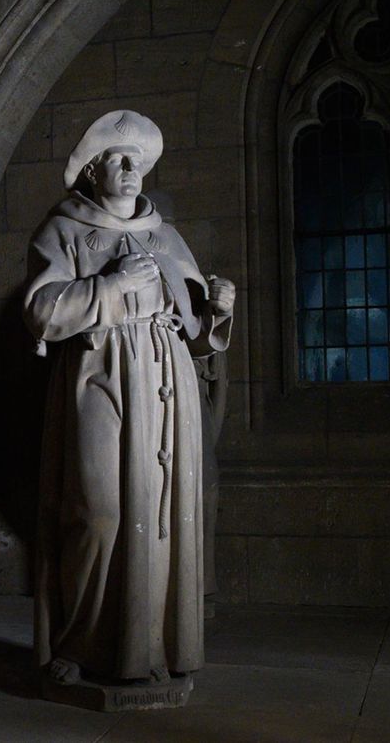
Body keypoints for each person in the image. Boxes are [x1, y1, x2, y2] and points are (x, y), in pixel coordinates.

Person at [24, 110, 235, 690]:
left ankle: (150, 644)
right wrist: (110, 286)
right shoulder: (63, 229)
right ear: (92, 171)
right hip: (100, 375)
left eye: (136, 160)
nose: (130, 168)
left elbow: (194, 332)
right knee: (98, 512)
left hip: (166, 385)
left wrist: (216, 311)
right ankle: (80, 641)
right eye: (117, 159)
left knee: (160, 516)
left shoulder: (165, 235)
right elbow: (42, 312)